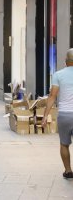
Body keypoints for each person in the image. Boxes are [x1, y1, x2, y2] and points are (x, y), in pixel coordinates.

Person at [42, 48, 73, 179]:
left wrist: (45, 116)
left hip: (65, 115)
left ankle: (68, 171)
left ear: (66, 61)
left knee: (64, 144)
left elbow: (52, 97)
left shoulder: (58, 75)